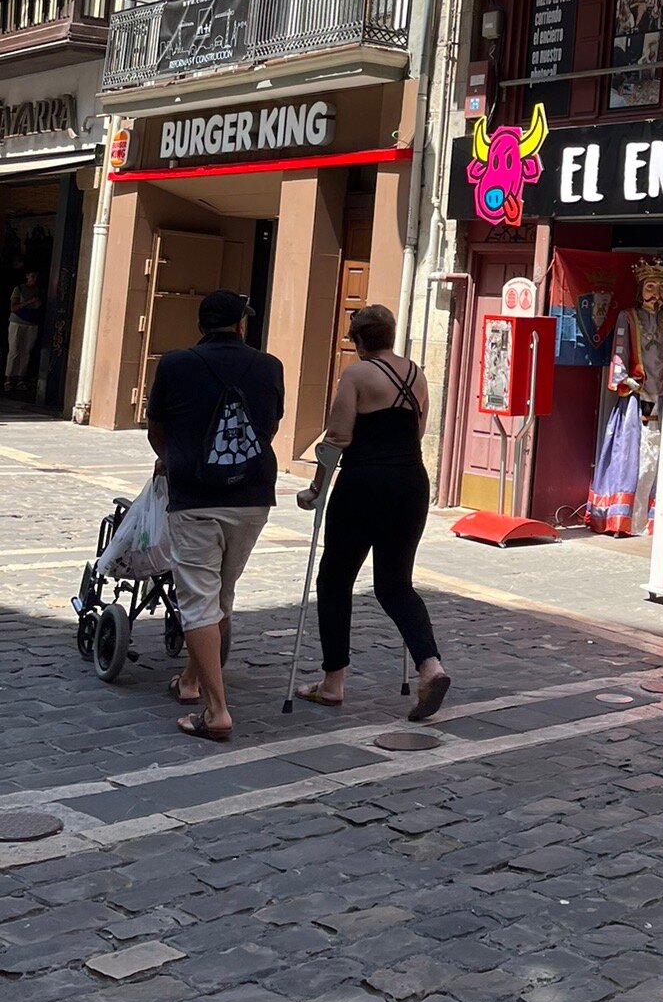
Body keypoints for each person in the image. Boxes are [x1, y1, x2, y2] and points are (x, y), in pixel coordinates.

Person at [296, 304, 449, 721]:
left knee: (335, 580)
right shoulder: (415, 373)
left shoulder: (356, 375)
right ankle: (430, 666)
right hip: (411, 483)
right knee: (395, 583)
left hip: (364, 485)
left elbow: (337, 438)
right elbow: (416, 431)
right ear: (391, 334)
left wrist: (315, 490)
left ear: (360, 341)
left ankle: (333, 682)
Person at [146, 290, 283, 742]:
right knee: (220, 594)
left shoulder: (175, 364)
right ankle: (190, 681)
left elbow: (157, 427)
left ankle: (216, 710)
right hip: (252, 496)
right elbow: (271, 426)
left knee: (199, 600)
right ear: (241, 324)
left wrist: (174, 458)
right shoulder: (269, 366)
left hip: (195, 496)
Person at [587, 259, 663, 536]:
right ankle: (621, 519)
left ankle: (654, 516)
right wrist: (623, 378)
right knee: (631, 455)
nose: (657, 294)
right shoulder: (628, 317)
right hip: (637, 396)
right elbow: (619, 349)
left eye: (662, 287)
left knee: (662, 454)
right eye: (650, 287)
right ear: (640, 291)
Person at [6, 268, 42, 393]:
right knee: (14, 350)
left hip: (31, 323)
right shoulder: (19, 289)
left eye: (36, 277)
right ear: (27, 276)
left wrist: (37, 304)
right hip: (17, 322)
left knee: (26, 351)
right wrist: (29, 302)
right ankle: (9, 378)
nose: (34, 279)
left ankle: (21, 378)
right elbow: (13, 307)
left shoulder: (38, 290)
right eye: (32, 276)